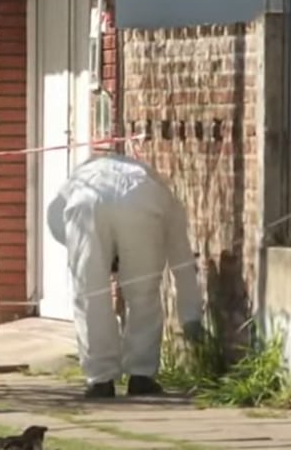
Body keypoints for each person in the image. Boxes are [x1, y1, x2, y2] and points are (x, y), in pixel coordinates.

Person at [47, 153, 205, 398]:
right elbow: (181, 259)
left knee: (90, 294)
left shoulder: (73, 188)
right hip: (139, 201)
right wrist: (190, 316)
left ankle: (100, 379)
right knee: (144, 294)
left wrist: (94, 260)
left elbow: (62, 228)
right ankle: (141, 375)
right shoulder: (159, 191)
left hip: (87, 201)